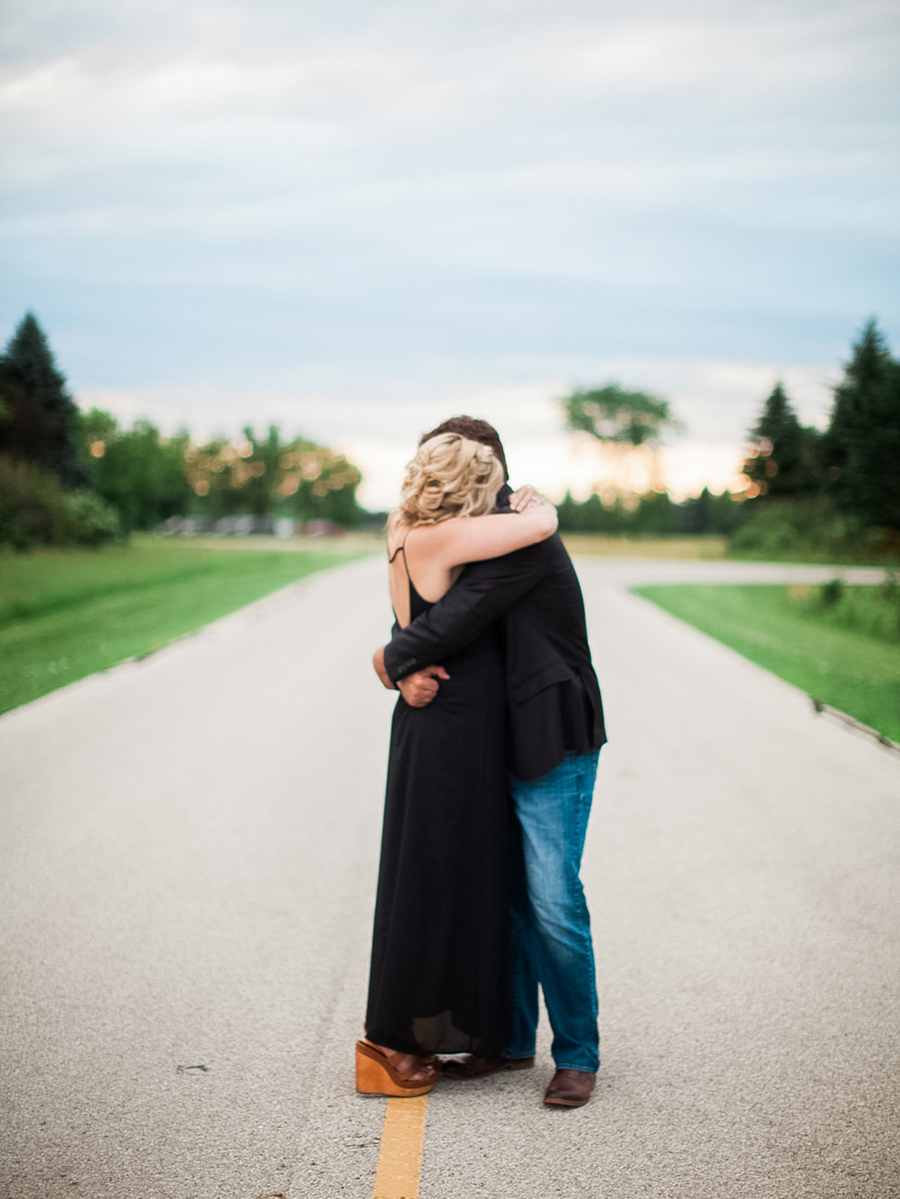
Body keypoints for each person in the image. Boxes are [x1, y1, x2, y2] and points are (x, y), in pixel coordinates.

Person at [374, 416, 607, 1109]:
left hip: (548, 732)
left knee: (550, 897)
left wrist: (390, 661)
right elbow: (423, 605)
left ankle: (578, 1054)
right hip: (491, 734)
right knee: (506, 893)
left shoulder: (524, 537)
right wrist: (401, 659)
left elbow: (450, 619)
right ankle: (507, 1040)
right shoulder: (478, 532)